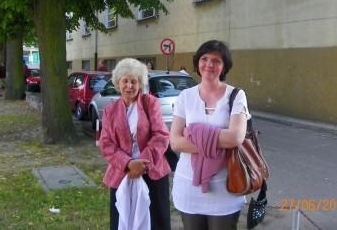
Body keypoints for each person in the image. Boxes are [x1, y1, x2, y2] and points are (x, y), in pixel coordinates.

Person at [170, 40, 250, 230]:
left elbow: (236, 138)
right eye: (204, 59)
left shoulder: (237, 96)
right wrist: (219, 141)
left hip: (226, 187)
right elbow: (175, 142)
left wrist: (193, 136)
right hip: (189, 185)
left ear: (224, 66)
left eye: (216, 60)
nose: (209, 65)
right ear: (198, 62)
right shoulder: (185, 97)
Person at [99, 58, 171, 230]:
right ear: (118, 83)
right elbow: (106, 143)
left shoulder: (150, 103)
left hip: (152, 172)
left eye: (134, 81)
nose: (129, 86)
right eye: (125, 81)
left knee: (155, 221)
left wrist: (141, 163)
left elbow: (161, 135)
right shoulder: (110, 110)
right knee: (123, 221)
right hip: (123, 173)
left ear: (140, 83)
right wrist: (128, 163)